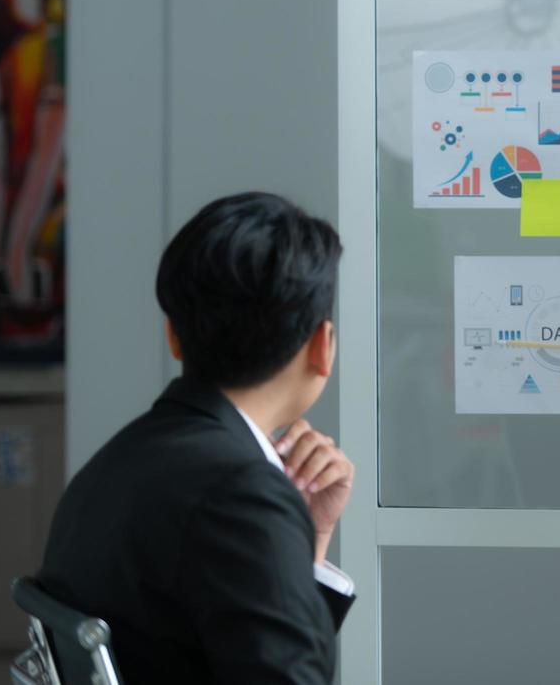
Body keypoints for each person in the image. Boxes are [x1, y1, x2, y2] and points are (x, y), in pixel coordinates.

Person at [37, 192, 356, 685]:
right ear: (323, 346)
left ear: (174, 336)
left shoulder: (117, 462)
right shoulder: (241, 493)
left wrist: (303, 543)